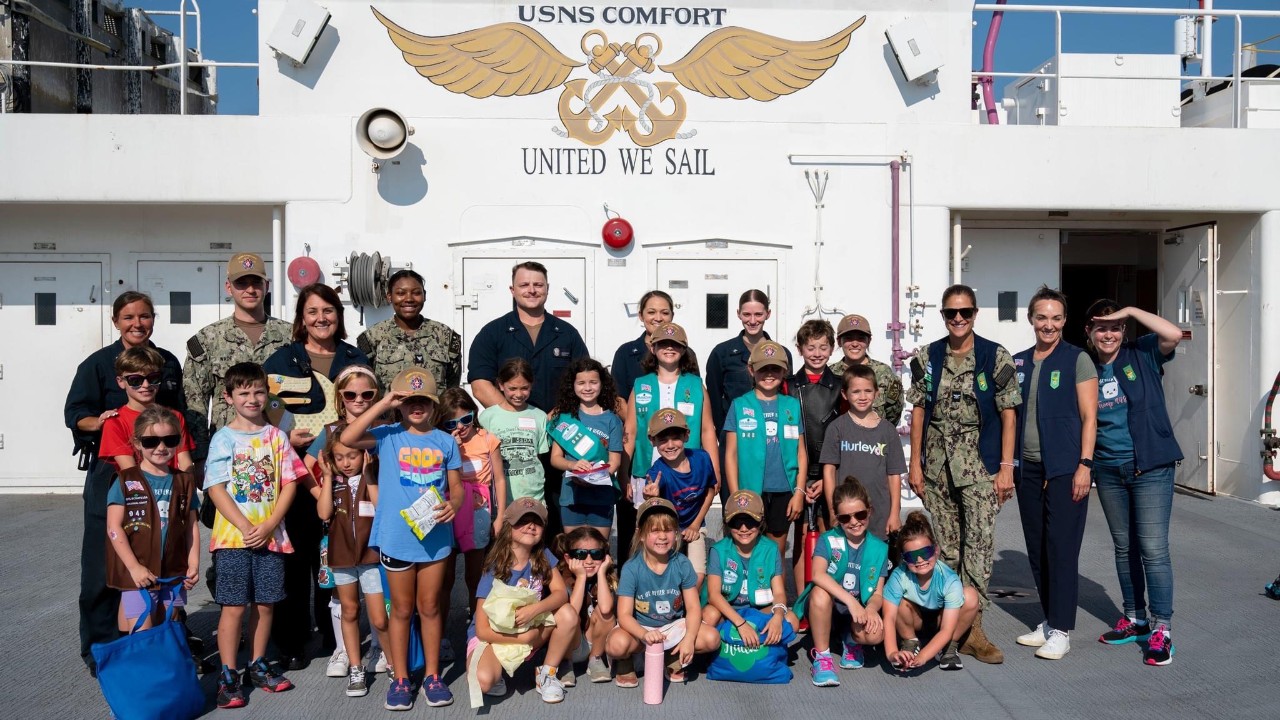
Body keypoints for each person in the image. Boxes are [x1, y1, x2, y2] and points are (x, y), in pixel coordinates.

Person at [64, 289, 185, 675]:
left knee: (160, 564)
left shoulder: (167, 362)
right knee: (104, 570)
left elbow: (176, 414)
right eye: (129, 317)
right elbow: (75, 414)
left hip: (161, 476)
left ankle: (159, 641)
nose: (137, 324)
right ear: (116, 321)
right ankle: (102, 649)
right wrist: (101, 422)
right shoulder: (97, 364)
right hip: (112, 477)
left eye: (145, 316)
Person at [906, 284, 1021, 665]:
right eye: (951, 313)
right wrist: (915, 463)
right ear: (943, 315)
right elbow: (919, 409)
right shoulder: (928, 356)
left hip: (981, 467)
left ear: (975, 314)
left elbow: (1008, 413)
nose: (958, 319)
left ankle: (974, 630)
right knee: (947, 550)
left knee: (980, 549)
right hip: (938, 468)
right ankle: (947, 626)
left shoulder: (994, 356)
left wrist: (1006, 468)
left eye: (965, 313)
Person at [340, 367, 463, 710]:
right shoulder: (387, 434)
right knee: (403, 610)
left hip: (435, 539)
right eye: (408, 401)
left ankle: (433, 676)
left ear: (435, 405)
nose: (416, 406)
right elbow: (348, 438)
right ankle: (401, 677)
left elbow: (456, 489)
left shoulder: (445, 440)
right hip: (396, 538)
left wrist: (454, 505)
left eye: (423, 400)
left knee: (431, 607)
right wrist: (384, 403)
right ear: (399, 404)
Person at [263, 282, 370, 669]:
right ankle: (290, 641)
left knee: (334, 559)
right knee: (294, 561)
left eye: (328, 311)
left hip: (341, 479)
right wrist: (284, 434)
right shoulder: (282, 359)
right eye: (313, 312)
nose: (321, 318)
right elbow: (264, 404)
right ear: (301, 318)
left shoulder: (356, 357)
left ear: (338, 316)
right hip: (295, 477)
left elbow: (368, 407)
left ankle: (335, 636)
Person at [1085, 299, 1183, 667]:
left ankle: (1162, 629)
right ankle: (1136, 618)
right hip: (1109, 470)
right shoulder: (1086, 366)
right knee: (1124, 547)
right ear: (1089, 334)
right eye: (1100, 327)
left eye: (1114, 327)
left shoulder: (1141, 353)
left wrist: (1127, 311)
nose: (1108, 334)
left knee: (1154, 549)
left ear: (1124, 330)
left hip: (1151, 467)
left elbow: (1173, 333)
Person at [204, 362, 302, 709]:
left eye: (258, 391)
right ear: (228, 397)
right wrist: (247, 528)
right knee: (233, 607)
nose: (252, 398)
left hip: (271, 537)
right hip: (234, 540)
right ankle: (228, 674)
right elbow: (216, 488)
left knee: (266, 603)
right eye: (243, 393)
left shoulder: (276, 437)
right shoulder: (223, 439)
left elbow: (290, 481)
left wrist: (271, 523)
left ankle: (258, 664)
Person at [1012, 286, 1098, 661]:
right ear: (1031, 319)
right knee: (1038, 548)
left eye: (1056, 318)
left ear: (1065, 321)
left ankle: (1062, 629)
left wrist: (1085, 465)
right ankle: (1049, 620)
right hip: (1027, 468)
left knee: (1062, 549)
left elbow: (1089, 417)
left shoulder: (1077, 359)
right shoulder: (1017, 362)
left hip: (1066, 468)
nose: (1049, 324)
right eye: (1042, 317)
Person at [303, 364, 388, 677]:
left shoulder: (383, 430)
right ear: (340, 397)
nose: (359, 399)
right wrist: (327, 500)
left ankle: (380, 646)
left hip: (374, 527)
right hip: (340, 528)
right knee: (342, 597)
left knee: (379, 595)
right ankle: (343, 649)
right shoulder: (329, 431)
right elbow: (305, 468)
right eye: (351, 394)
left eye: (367, 394)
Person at [466, 498, 580, 705]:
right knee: (484, 682)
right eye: (522, 521)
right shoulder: (494, 566)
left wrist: (536, 609)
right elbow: (482, 629)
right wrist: (523, 639)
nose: (530, 526)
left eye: (536, 522)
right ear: (508, 528)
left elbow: (561, 593)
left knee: (568, 614)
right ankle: (497, 669)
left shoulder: (543, 556)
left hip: (529, 627)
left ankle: (547, 673)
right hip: (495, 635)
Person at [183, 252, 291, 465]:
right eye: (241, 283)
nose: (250, 290)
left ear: (267, 286)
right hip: (226, 450)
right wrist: (200, 457)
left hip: (278, 448)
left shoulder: (291, 336)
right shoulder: (208, 339)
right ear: (228, 287)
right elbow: (195, 403)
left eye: (256, 283)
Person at [611, 292, 697, 559]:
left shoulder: (686, 353)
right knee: (636, 530)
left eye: (664, 312)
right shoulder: (627, 353)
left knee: (671, 528)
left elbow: (694, 399)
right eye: (651, 312)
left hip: (678, 456)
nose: (657, 317)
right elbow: (619, 400)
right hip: (642, 455)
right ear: (641, 316)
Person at [624, 322, 719, 555]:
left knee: (685, 532)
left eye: (675, 344)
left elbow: (707, 430)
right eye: (663, 344)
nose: (669, 348)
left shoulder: (695, 385)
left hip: (686, 473)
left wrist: (715, 472)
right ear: (653, 348)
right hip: (648, 470)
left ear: (684, 349)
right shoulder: (641, 384)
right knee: (651, 532)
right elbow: (631, 431)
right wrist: (624, 474)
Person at [104, 406, 201, 632]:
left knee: (169, 625)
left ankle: (166, 667)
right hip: (138, 572)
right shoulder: (125, 480)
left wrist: (193, 563)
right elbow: (113, 526)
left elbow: (191, 527)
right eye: (151, 441)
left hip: (174, 572)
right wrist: (134, 567)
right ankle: (140, 667)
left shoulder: (185, 481)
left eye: (169, 440)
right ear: (137, 443)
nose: (161, 447)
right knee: (142, 630)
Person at [606, 498, 720, 687]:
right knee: (616, 645)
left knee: (712, 638)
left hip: (672, 627)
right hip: (641, 629)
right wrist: (644, 634)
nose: (662, 536)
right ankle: (626, 661)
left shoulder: (682, 563)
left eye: (668, 530)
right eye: (655, 530)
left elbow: (693, 608)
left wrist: (689, 640)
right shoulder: (631, 568)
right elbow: (624, 615)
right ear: (641, 534)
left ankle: (671, 655)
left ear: (676, 533)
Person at [311, 431, 388, 698]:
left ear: (364, 455)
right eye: (340, 457)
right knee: (350, 611)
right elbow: (323, 513)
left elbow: (381, 507)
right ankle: (356, 667)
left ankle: (390, 660)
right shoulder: (333, 482)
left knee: (379, 617)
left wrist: (368, 476)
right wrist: (328, 477)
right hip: (342, 559)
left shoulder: (372, 478)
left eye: (352, 456)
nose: (346, 462)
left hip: (371, 558)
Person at [724, 340, 809, 573]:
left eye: (775, 369)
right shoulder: (740, 405)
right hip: (749, 490)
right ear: (751, 371)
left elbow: (801, 452)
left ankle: (776, 602)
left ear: (784, 372)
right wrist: (735, 493)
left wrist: (799, 492)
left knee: (776, 552)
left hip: (783, 490)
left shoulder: (791, 405)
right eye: (763, 369)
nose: (769, 374)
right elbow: (730, 454)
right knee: (745, 548)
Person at [797, 478, 888, 686]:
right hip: (831, 608)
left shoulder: (879, 548)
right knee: (819, 592)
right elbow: (818, 574)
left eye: (860, 514)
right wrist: (852, 602)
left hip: (857, 614)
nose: (854, 522)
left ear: (870, 511)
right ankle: (822, 657)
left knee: (875, 634)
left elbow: (877, 593)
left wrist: (872, 609)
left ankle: (851, 640)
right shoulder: (827, 539)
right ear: (837, 518)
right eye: (846, 518)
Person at [467, 261, 589, 413]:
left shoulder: (567, 334)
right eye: (524, 285)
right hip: (509, 429)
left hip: (558, 427)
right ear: (512, 290)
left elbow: (585, 381)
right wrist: (512, 417)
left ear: (547, 288)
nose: (532, 290)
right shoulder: (492, 333)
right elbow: (480, 385)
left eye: (538, 285)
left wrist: (558, 416)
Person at [882, 511, 980, 673]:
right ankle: (909, 641)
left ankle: (949, 646)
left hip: (942, 621)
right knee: (897, 601)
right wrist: (892, 653)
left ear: (936, 550)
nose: (920, 560)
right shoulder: (899, 576)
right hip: (914, 619)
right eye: (912, 556)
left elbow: (947, 629)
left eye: (925, 553)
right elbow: (889, 618)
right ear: (904, 559)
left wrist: (923, 657)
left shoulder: (949, 580)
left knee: (970, 596)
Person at [439, 387, 506, 618]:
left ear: (473, 414)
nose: (460, 427)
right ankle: (442, 633)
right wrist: (451, 448)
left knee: (475, 575)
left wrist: (500, 516)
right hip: (449, 511)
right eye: (451, 423)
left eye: (466, 419)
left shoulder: (487, 438)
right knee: (445, 577)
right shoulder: (441, 443)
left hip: (479, 511)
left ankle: (476, 626)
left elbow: (499, 479)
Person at [702, 490, 798, 652]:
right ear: (727, 523)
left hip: (759, 609)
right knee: (710, 615)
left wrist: (778, 616)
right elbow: (714, 595)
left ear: (760, 521)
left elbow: (779, 593)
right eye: (736, 522)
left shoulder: (771, 549)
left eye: (750, 522)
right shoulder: (718, 551)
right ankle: (727, 650)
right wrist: (741, 623)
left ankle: (753, 648)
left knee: (791, 620)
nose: (744, 528)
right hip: (729, 611)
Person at [819, 364, 907, 541]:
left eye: (868, 391)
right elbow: (828, 471)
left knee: (877, 565)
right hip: (846, 516)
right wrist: (832, 511)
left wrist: (895, 513)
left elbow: (894, 475)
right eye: (856, 391)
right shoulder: (836, 428)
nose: (862, 397)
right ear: (845, 394)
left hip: (880, 516)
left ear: (876, 393)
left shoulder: (888, 430)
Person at [788, 318, 842, 590]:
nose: (817, 353)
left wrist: (825, 476)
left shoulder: (841, 387)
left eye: (823, 347)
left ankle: (827, 598)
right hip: (797, 475)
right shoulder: (788, 385)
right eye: (811, 347)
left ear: (832, 348)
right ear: (800, 349)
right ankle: (801, 600)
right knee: (799, 537)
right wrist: (801, 479)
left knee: (829, 535)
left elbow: (844, 434)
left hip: (829, 474)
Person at [641, 408, 719, 587]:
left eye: (676, 437)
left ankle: (690, 609)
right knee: (665, 573)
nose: (670, 445)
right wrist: (650, 496)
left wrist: (695, 524)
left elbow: (710, 490)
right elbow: (653, 504)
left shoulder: (702, 458)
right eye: (662, 439)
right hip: (668, 528)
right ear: (652, 441)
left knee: (697, 576)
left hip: (695, 523)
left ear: (687, 435)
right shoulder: (656, 473)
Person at [357, 269, 462, 395]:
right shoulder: (372, 337)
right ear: (389, 296)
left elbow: (452, 386)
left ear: (425, 295)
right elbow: (365, 385)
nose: (409, 299)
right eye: (401, 293)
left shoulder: (445, 335)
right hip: (390, 414)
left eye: (416, 293)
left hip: (434, 413)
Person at [706, 290, 792, 444]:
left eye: (758, 314)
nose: (752, 321)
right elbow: (714, 400)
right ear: (738, 314)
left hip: (773, 437)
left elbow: (786, 396)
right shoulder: (722, 353)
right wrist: (724, 434)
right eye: (747, 314)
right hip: (736, 436)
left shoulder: (782, 353)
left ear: (768, 314)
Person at [549, 358, 623, 536]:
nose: (587, 388)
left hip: (602, 496)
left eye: (593, 382)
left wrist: (594, 477)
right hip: (572, 495)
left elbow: (615, 462)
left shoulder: (612, 420)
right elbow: (555, 458)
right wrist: (573, 466)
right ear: (572, 386)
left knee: (599, 550)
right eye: (581, 383)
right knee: (573, 550)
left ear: (602, 384)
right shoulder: (564, 419)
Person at [99, 347, 196, 472]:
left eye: (153, 378)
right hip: (138, 489)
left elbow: (185, 464)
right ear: (121, 382)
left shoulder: (175, 417)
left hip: (175, 488)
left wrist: (186, 488)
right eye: (135, 380)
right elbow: (130, 471)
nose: (146, 385)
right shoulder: (115, 422)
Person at [479, 358, 550, 503]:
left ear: (531, 385)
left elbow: (539, 456)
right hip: (501, 498)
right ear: (500, 385)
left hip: (534, 497)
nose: (518, 394)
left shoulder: (540, 416)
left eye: (524, 388)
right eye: (512, 388)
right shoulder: (487, 417)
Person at [554, 527, 617, 685]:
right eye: (581, 554)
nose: (589, 560)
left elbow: (606, 609)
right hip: (568, 646)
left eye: (596, 554)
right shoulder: (562, 580)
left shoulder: (606, 578)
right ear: (568, 558)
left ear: (604, 556)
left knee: (606, 614)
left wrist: (602, 573)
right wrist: (581, 577)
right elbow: (571, 614)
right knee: (568, 616)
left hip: (593, 644)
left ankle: (595, 660)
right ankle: (565, 663)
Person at [829, 313, 905, 425]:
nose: (855, 344)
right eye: (849, 338)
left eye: (861, 338)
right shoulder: (830, 373)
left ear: (869, 341)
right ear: (839, 341)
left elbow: (894, 412)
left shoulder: (884, 373)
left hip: (875, 439)